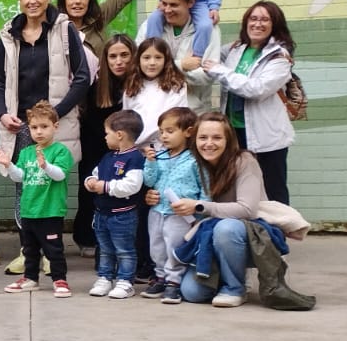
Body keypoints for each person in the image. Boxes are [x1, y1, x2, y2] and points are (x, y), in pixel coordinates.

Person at [162, 114, 265, 307]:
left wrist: (199, 206)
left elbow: (247, 209)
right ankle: (221, 276)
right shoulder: (192, 163)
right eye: (203, 138)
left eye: (217, 138)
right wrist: (154, 196)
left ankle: (235, 287)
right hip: (206, 237)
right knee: (192, 293)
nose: (209, 144)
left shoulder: (244, 161)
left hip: (245, 232)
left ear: (229, 140)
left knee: (225, 228)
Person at [0, 0, 92, 168]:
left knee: (53, 189)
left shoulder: (64, 29)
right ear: (20, 1)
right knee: (25, 189)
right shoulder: (8, 35)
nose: (32, 1)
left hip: (55, 125)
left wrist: (55, 114)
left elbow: (83, 77)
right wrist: (3, 114)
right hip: (20, 125)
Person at [204, 0, 296, 203]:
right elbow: (208, 54)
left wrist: (219, 70)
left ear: (275, 25)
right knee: (236, 187)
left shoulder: (279, 57)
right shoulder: (236, 49)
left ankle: (276, 234)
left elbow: (256, 89)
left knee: (272, 190)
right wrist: (205, 20)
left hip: (265, 137)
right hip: (233, 132)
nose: (258, 24)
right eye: (253, 18)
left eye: (265, 19)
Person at [0, 101, 75, 297]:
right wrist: (9, 165)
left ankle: (59, 279)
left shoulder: (60, 151)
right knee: (29, 249)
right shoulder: (26, 152)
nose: (39, 132)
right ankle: (30, 278)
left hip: (50, 210)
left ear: (55, 127)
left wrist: (46, 165)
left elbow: (60, 175)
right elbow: (20, 177)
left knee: (53, 249)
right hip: (29, 210)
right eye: (34, 127)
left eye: (44, 127)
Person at [74, 34, 136, 258]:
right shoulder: (98, 87)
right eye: (113, 56)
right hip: (97, 148)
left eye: (124, 55)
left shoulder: (138, 86)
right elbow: (90, 125)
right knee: (90, 193)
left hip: (131, 150)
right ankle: (86, 237)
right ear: (106, 60)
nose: (119, 61)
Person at [82, 111, 146, 299]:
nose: (104, 136)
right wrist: (91, 181)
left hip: (122, 215)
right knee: (105, 248)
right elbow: (96, 172)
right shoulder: (108, 157)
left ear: (119, 135)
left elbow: (132, 185)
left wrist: (106, 187)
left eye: (107, 132)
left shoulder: (135, 158)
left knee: (124, 249)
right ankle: (105, 277)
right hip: (102, 213)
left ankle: (126, 281)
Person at [142, 106, 201, 304]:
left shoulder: (194, 159)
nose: (164, 136)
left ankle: (174, 282)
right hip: (157, 210)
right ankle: (160, 277)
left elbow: (205, 187)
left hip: (179, 214)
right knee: (156, 246)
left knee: (174, 247)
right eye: (161, 131)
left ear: (188, 132)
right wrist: (149, 163)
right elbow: (149, 181)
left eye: (170, 131)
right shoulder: (160, 155)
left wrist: (202, 208)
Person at [137, 0, 222, 109]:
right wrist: (181, 65)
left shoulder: (209, 30)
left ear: (191, 2)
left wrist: (160, 70)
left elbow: (208, 75)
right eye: (164, 4)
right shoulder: (149, 26)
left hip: (193, 111)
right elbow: (140, 67)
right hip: (156, 109)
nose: (167, 10)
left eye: (174, 5)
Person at [123, 38, 190, 151]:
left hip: (165, 148)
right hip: (137, 149)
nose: (152, 63)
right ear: (138, 60)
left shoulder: (176, 86)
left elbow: (175, 119)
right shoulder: (132, 87)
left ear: (166, 60)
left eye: (158, 57)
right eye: (146, 58)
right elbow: (126, 119)